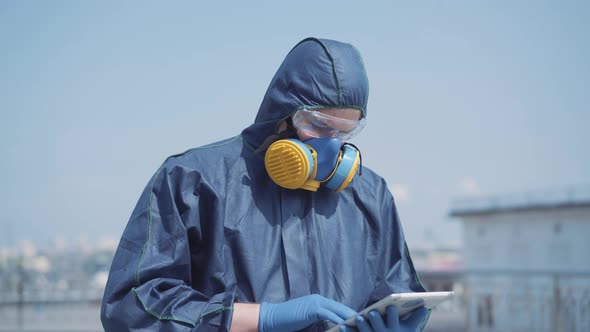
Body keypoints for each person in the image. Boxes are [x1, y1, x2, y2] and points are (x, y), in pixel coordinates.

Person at [101, 37, 429, 332]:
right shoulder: (195, 179)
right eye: (317, 125)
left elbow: (397, 294)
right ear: (282, 112)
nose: (331, 144)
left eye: (344, 130)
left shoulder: (370, 193)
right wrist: (259, 319)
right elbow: (131, 307)